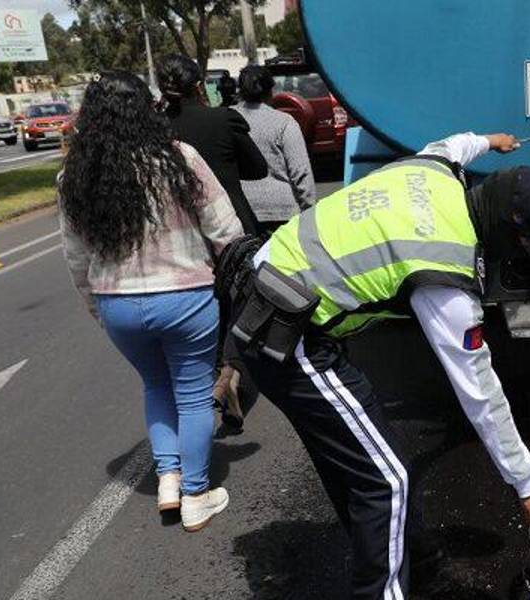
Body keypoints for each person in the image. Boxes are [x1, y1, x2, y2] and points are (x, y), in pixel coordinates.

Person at [213, 132, 530, 598]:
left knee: (364, 467)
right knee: (387, 480)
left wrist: (489, 140)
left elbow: (452, 144)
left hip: (271, 288)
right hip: (285, 331)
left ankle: (417, 567)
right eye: (524, 243)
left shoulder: (433, 171)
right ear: (507, 226)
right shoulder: (444, 274)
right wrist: (528, 484)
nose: (522, 253)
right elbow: (479, 390)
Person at [58, 71, 242, 531]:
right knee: (195, 394)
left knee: (156, 387)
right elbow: (225, 229)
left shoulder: (74, 177)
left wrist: (96, 310)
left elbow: (76, 257)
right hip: (185, 297)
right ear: (148, 108)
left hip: (117, 302)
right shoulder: (179, 160)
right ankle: (196, 494)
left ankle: (168, 479)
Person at [158, 55, 268, 235]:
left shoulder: (155, 127)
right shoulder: (224, 119)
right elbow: (258, 169)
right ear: (199, 87)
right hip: (233, 224)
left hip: (182, 232)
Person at [233, 65, 316, 235]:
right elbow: (300, 171)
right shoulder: (284, 122)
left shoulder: (227, 119)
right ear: (270, 91)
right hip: (283, 211)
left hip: (242, 210)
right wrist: (310, 209)